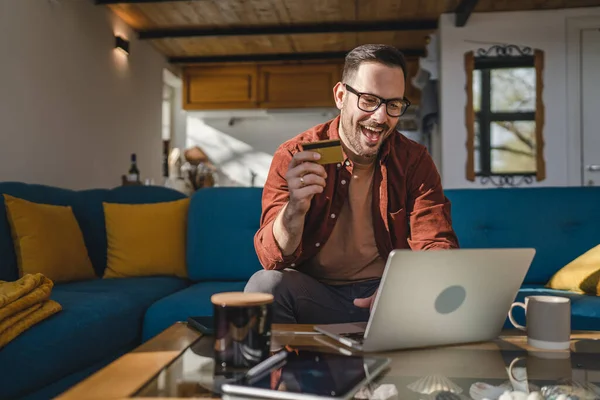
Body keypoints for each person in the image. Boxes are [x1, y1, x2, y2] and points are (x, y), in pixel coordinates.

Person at [244, 44, 459, 324]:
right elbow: (271, 259)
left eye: (393, 105)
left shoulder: (414, 160)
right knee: (264, 286)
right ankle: (281, 369)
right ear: (341, 96)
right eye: (369, 100)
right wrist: (295, 209)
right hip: (318, 295)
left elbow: (436, 243)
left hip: (390, 295)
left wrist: (404, 289)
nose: (380, 118)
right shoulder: (295, 154)